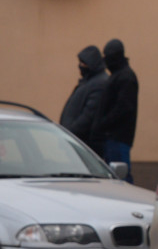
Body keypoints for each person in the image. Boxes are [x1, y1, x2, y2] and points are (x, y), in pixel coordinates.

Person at [90, 39, 138, 182]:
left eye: (108, 56)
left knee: (121, 176)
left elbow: (124, 108)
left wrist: (103, 123)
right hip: (113, 137)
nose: (106, 60)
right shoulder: (119, 75)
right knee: (117, 176)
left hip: (117, 137)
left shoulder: (125, 77)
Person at [59, 45, 107, 154]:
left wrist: (71, 133)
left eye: (83, 63)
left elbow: (88, 116)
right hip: (76, 140)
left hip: (84, 143)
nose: (80, 66)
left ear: (92, 64)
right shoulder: (89, 81)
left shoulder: (99, 83)